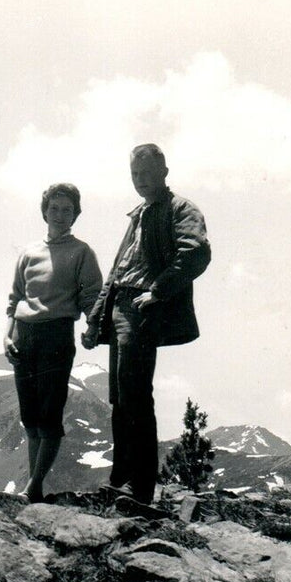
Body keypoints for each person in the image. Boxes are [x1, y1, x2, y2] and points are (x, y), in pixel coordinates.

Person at [82, 144, 210, 507]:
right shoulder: (138, 215)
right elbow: (117, 271)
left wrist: (157, 291)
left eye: (148, 174)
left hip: (144, 309)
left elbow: (197, 253)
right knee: (120, 398)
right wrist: (95, 321)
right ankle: (121, 480)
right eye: (135, 175)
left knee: (135, 396)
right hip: (122, 307)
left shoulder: (180, 209)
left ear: (164, 172)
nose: (141, 181)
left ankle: (140, 490)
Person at [4, 182, 104, 503]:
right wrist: (8, 334)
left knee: (49, 420)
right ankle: (34, 491)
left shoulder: (82, 253)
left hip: (56, 336)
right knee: (30, 420)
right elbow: (16, 297)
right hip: (24, 336)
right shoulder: (28, 253)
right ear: (44, 211)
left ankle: (33, 485)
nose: (60, 215)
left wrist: (93, 325)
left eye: (67, 210)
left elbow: (92, 297)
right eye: (55, 208)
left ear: (76, 214)